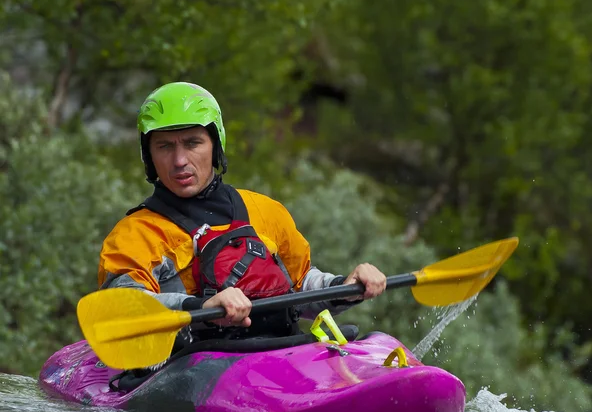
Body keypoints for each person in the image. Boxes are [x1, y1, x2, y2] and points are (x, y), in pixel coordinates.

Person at [98, 81, 386, 352]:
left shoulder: (264, 210)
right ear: (149, 155)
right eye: (164, 146)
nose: (179, 160)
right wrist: (202, 306)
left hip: (280, 353)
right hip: (196, 364)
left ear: (215, 146)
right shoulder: (136, 233)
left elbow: (301, 285)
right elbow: (125, 307)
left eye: (192, 143)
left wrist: (346, 288)